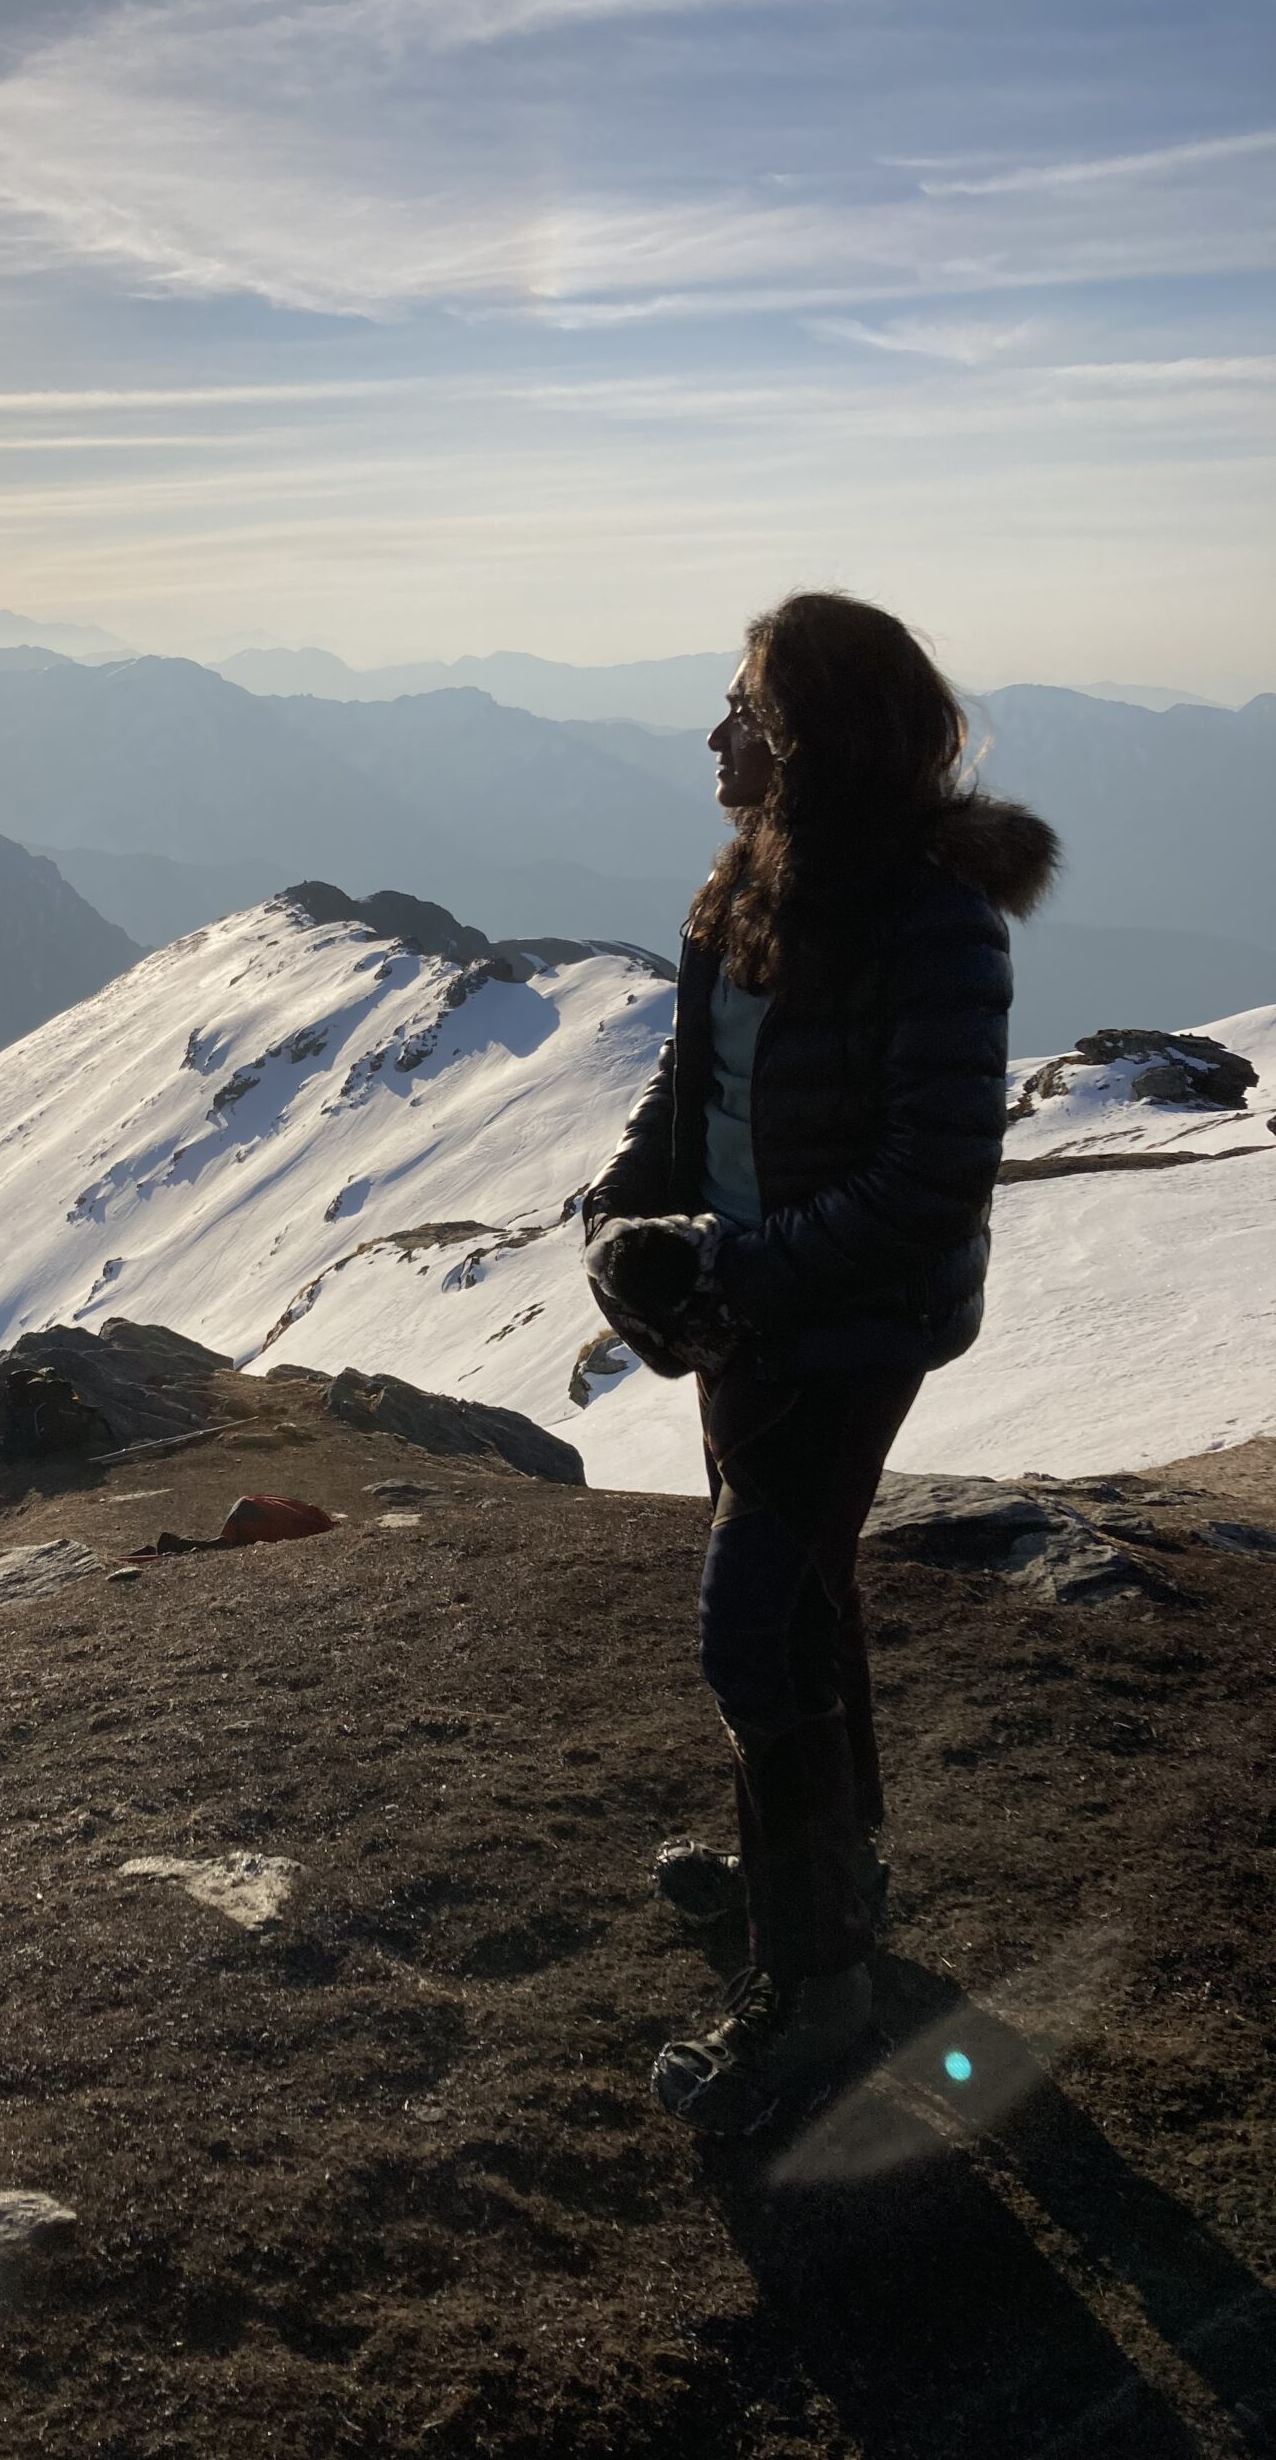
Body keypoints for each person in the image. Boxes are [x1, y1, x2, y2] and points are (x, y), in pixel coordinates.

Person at [580, 590, 1058, 2137]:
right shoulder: (739, 893)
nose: (716, 735)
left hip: (851, 1326)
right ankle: (829, 1878)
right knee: (804, 1594)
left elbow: (932, 1184)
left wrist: (726, 1268)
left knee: (751, 1631)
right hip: (752, 1318)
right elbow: (686, 1098)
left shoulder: (932, 918)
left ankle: (817, 1991)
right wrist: (620, 1218)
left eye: (746, 713)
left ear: (814, 743)